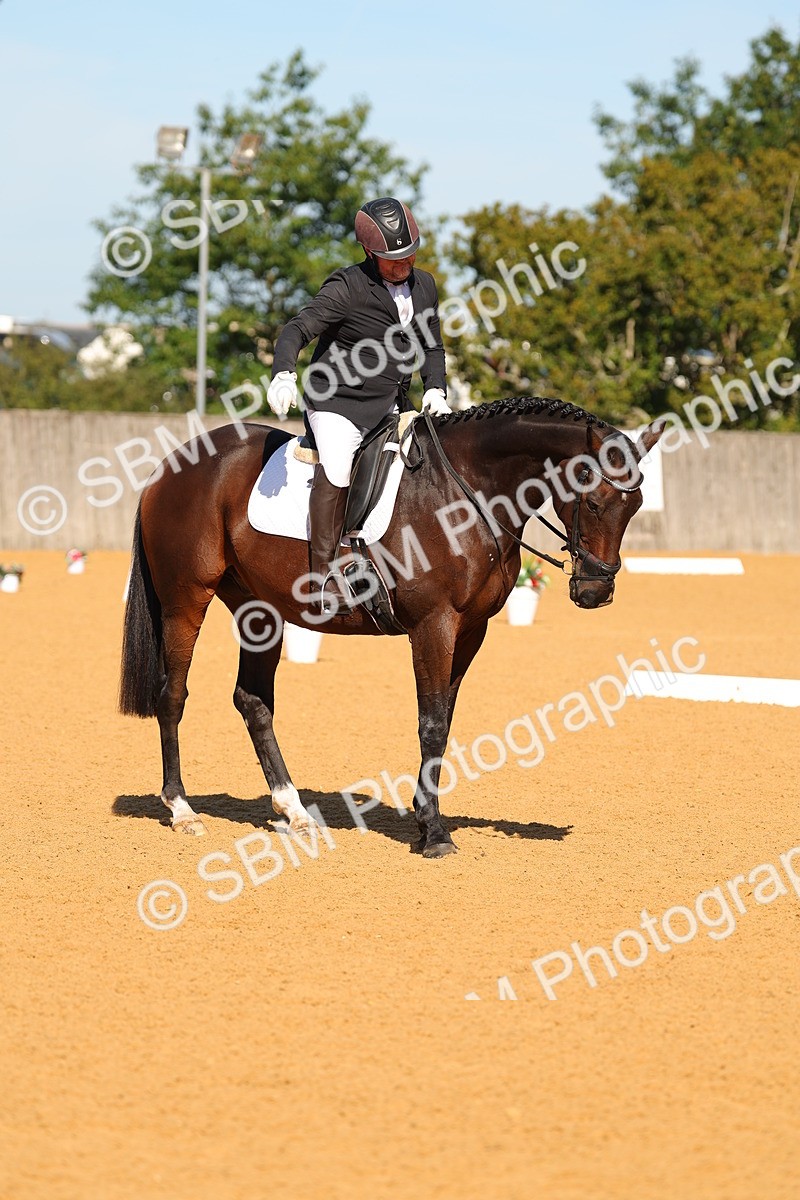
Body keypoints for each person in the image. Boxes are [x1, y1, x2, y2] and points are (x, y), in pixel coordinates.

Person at [267, 196, 449, 611]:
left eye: (410, 254)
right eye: (393, 259)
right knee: (336, 468)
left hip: (390, 403)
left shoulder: (425, 285)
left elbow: (431, 345)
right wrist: (283, 372)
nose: (404, 264)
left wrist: (435, 388)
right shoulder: (347, 287)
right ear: (369, 252)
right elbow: (297, 329)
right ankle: (322, 578)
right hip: (337, 403)